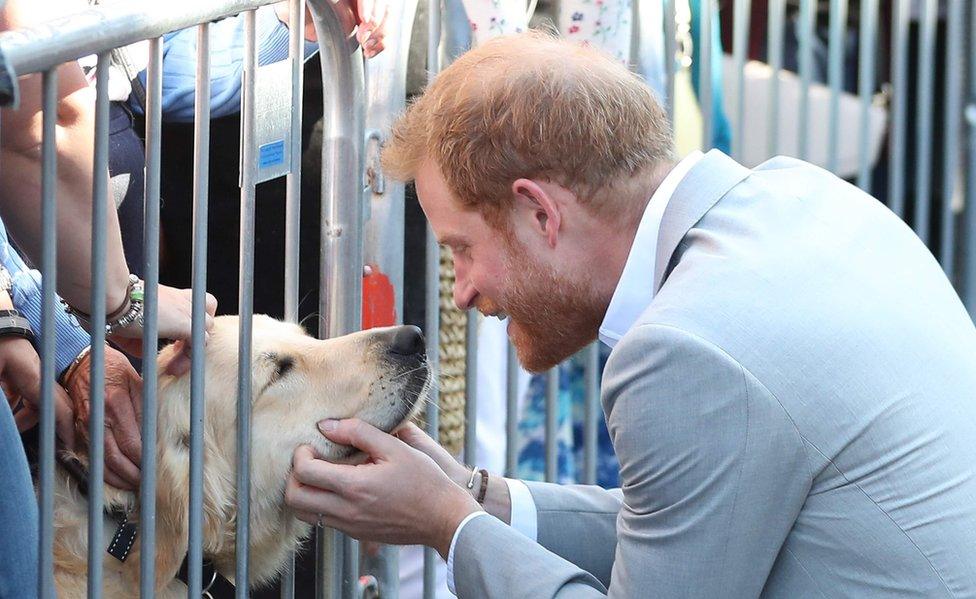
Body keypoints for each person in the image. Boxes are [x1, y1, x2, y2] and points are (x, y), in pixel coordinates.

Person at [284, 31, 976, 597]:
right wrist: (471, 493)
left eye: (461, 250)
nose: (462, 291)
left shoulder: (685, 346)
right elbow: (686, 524)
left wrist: (447, 525)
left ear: (539, 213)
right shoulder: (802, 195)